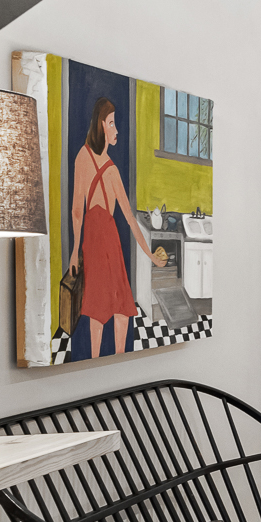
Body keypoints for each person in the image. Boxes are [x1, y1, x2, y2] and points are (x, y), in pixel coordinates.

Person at [67, 96, 146, 358]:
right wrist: (76, 249)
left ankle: (113, 360)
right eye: (112, 123)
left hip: (102, 241)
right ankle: (103, 361)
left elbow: (126, 217)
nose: (116, 130)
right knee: (108, 305)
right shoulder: (95, 163)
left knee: (115, 306)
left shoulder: (99, 165)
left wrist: (148, 254)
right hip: (98, 242)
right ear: (101, 124)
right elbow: (79, 210)